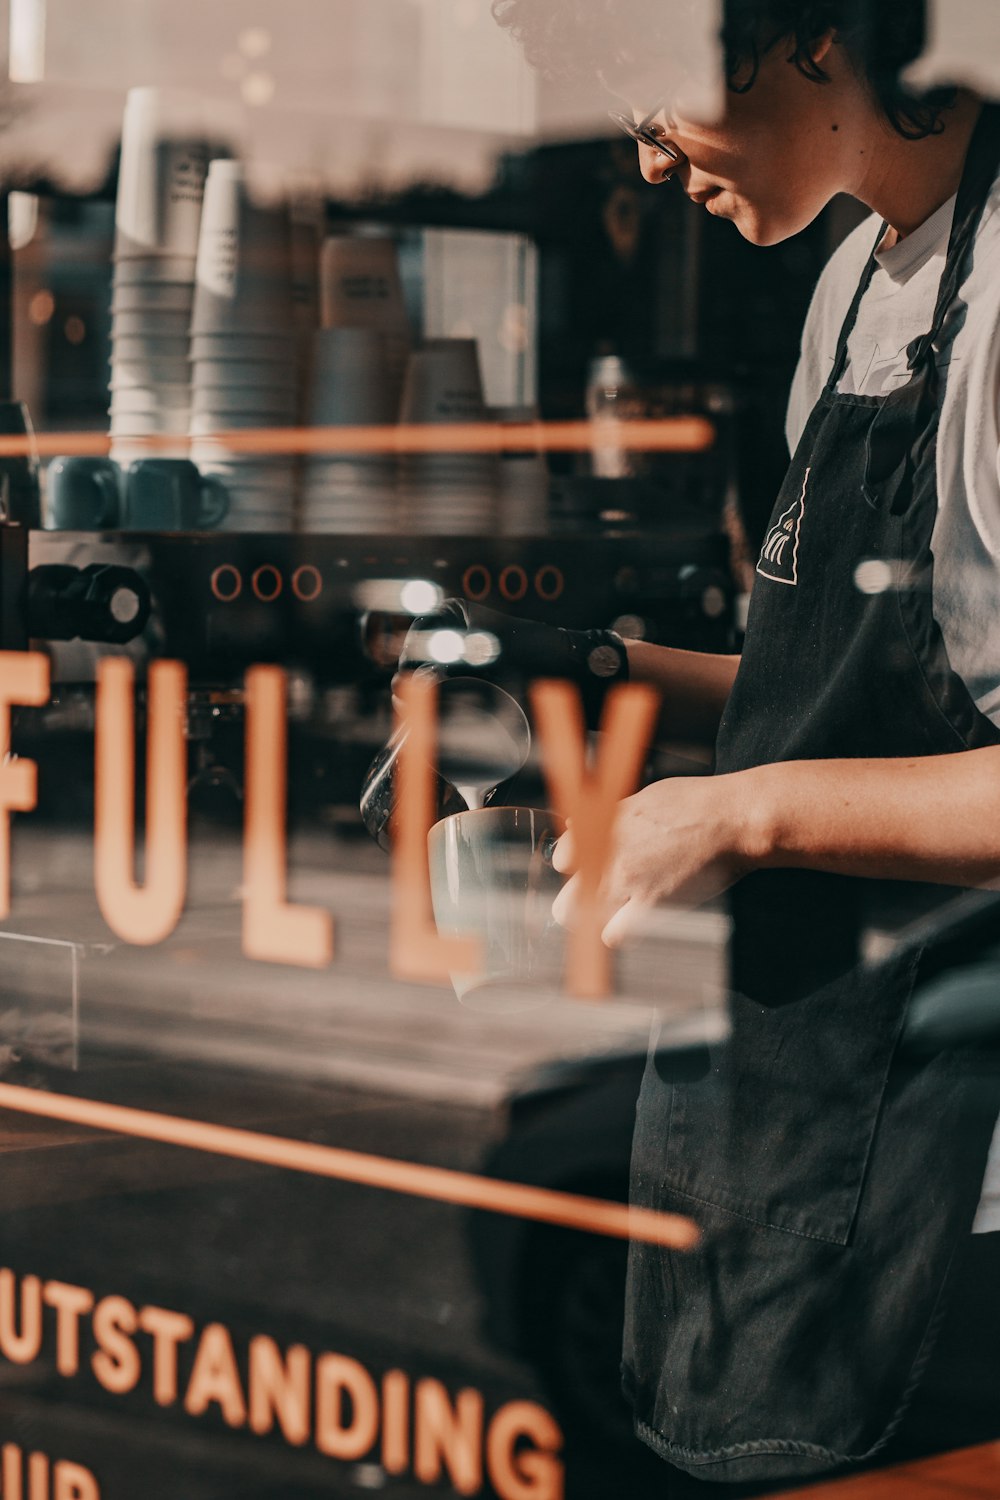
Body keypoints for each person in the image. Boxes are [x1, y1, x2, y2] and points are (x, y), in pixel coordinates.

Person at [397, 0, 1000, 1489]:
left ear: (812, 36)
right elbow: (844, 695)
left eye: (648, 92)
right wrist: (583, 679)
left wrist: (731, 818)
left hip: (961, 1162)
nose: (646, 160)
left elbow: (822, 769)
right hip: (796, 1089)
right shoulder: (857, 288)